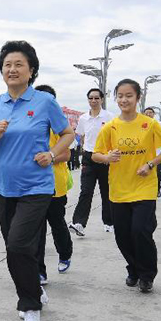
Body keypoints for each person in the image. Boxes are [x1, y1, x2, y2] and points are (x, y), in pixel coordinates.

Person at [0, 41, 74, 321]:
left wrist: (53, 154)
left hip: (37, 186)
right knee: (18, 248)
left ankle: (30, 307)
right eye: (7, 65)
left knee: (18, 245)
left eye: (19, 64)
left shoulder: (44, 102)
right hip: (5, 188)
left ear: (31, 70)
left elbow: (68, 133)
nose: (12, 69)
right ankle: (34, 288)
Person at [92, 79, 161, 293]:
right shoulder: (110, 127)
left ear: (138, 98)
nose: (124, 99)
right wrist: (107, 157)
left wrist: (150, 164)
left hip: (144, 187)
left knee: (140, 231)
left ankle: (147, 275)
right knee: (122, 235)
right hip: (119, 189)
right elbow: (95, 155)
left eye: (129, 95)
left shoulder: (150, 124)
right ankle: (133, 269)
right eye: (120, 95)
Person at [34, 85, 74, 282]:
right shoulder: (31, 123)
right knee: (37, 229)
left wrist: (48, 157)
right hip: (33, 185)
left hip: (55, 185)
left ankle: (65, 254)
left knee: (57, 223)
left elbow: (66, 153)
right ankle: (39, 271)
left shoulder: (58, 126)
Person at [69, 88, 115, 236]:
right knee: (86, 191)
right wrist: (84, 149)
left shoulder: (109, 117)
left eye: (96, 98)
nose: (93, 101)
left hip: (105, 157)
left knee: (106, 192)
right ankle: (79, 223)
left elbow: (114, 137)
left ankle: (109, 222)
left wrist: (109, 155)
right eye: (91, 98)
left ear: (102, 99)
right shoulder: (83, 118)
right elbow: (81, 135)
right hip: (89, 158)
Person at [142, 107, 161, 197]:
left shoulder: (159, 124)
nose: (148, 114)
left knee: (157, 173)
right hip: (144, 154)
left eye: (150, 113)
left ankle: (157, 189)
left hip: (157, 154)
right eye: (146, 113)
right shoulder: (140, 124)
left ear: (154, 114)